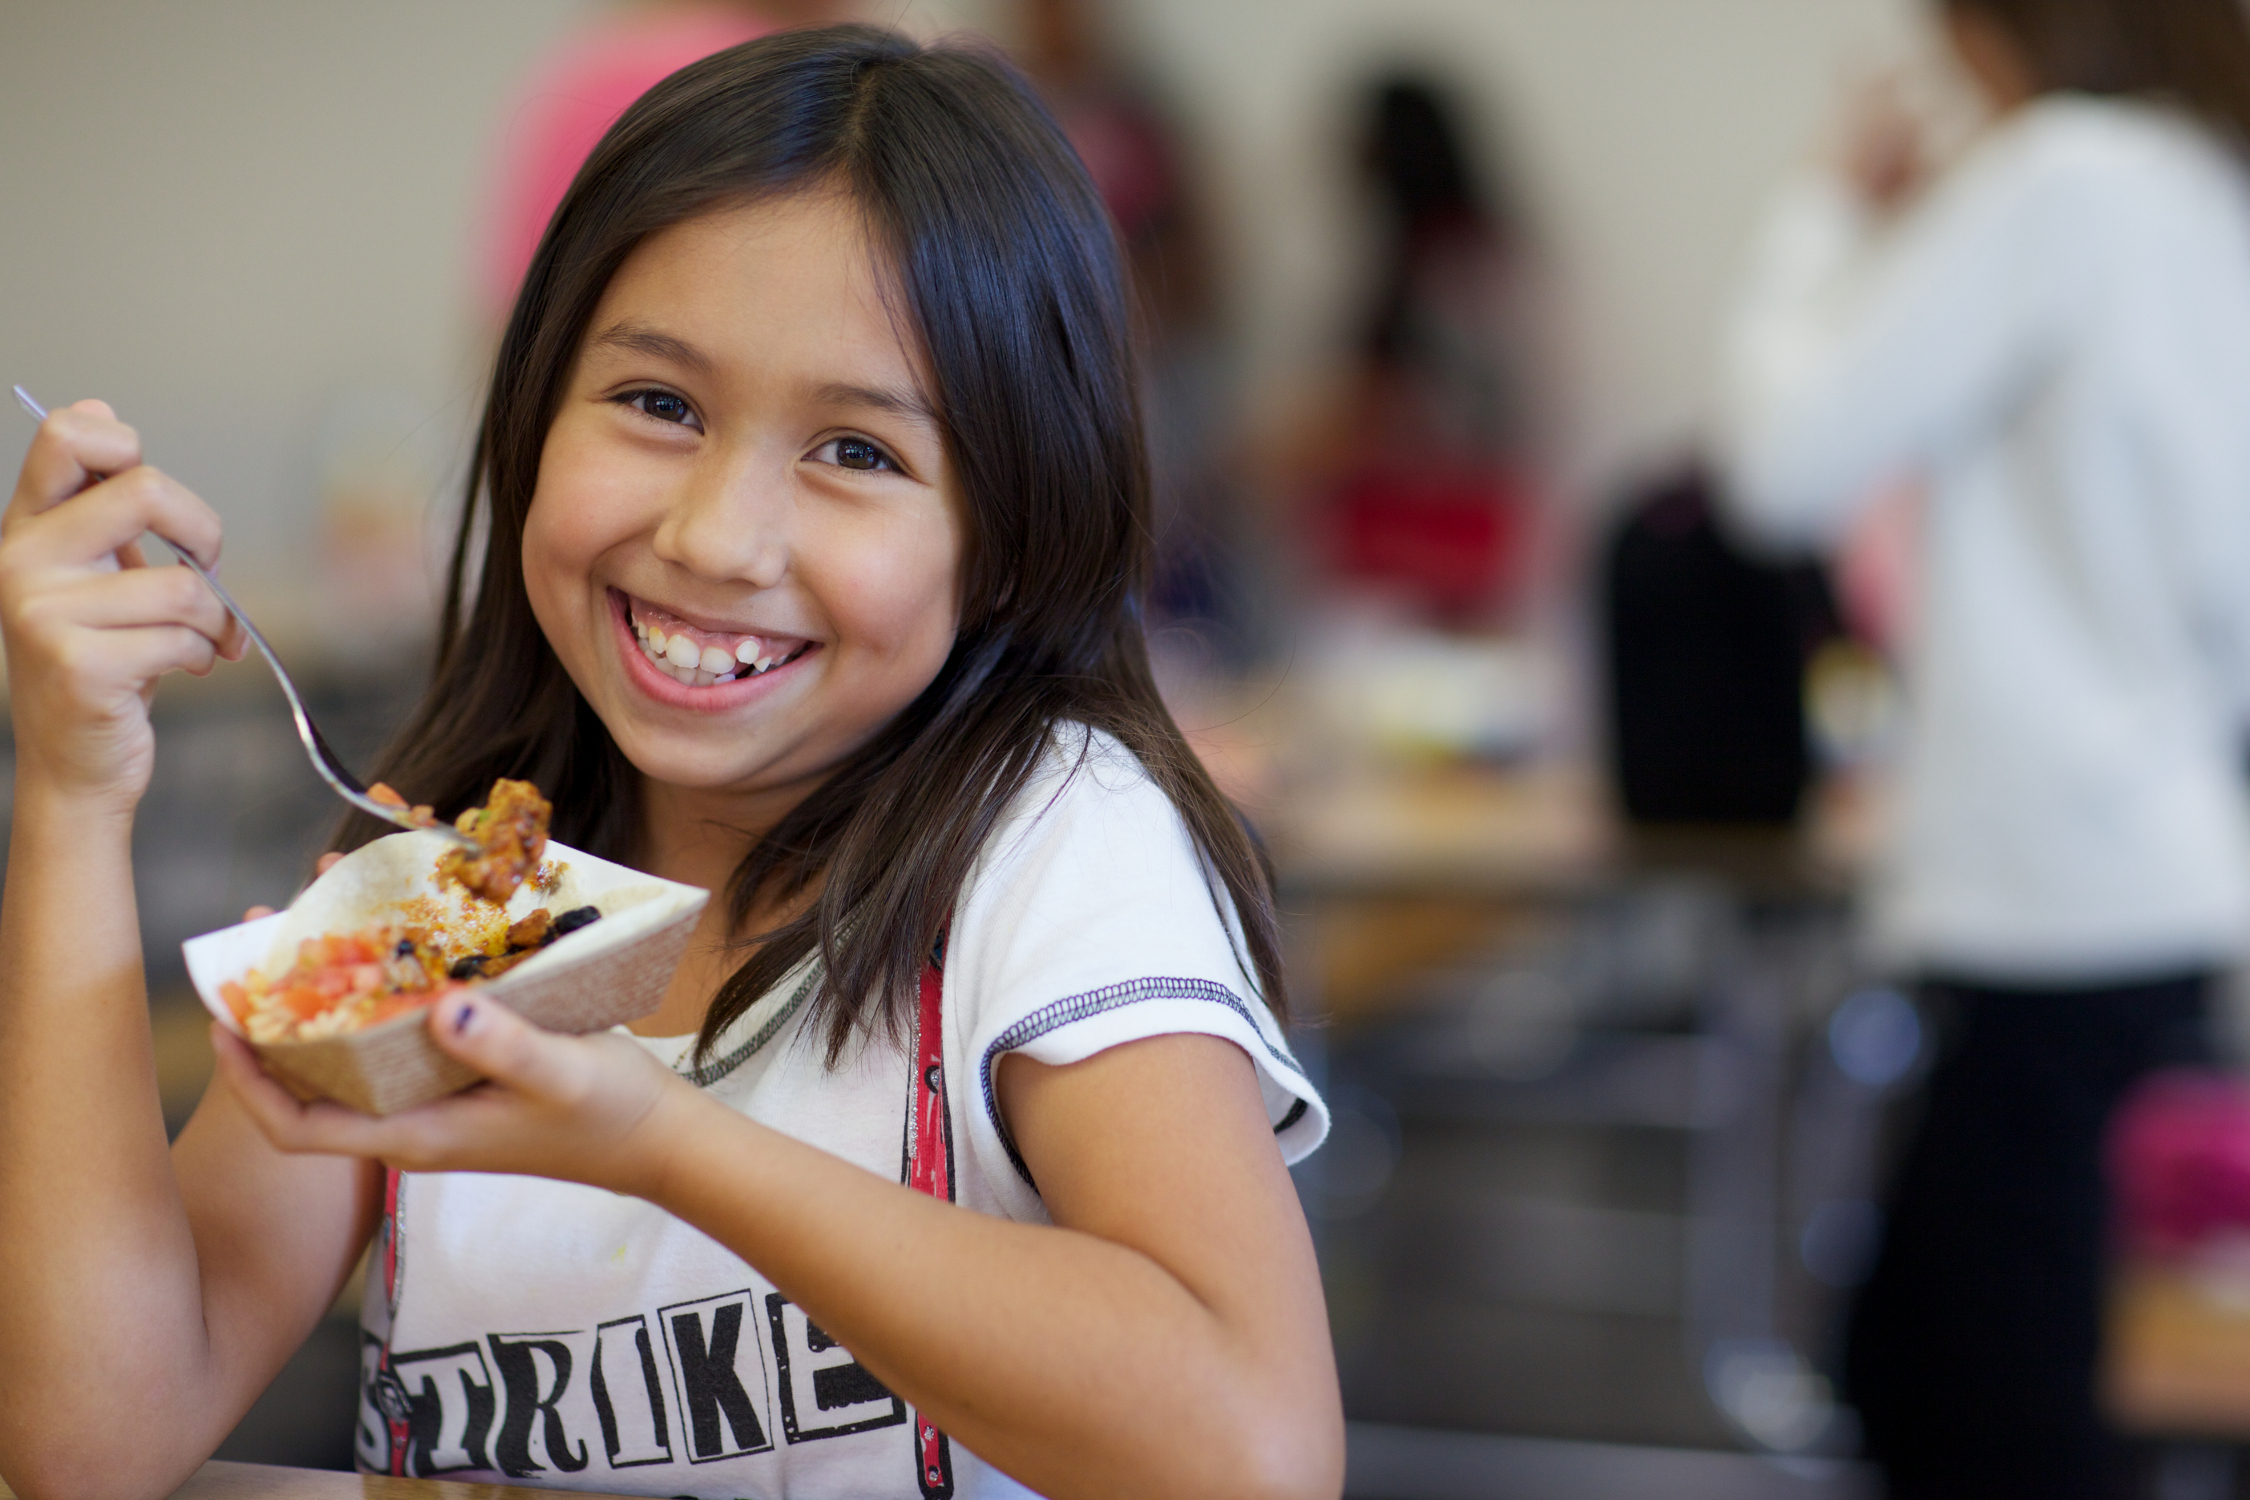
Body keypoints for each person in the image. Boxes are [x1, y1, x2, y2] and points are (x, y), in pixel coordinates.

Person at [0, 27, 1341, 1500]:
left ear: (1012, 531)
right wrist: (72, 794)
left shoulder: (1055, 843)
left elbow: (1251, 1453)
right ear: (531, 415)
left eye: (858, 452)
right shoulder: (454, 885)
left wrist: (660, 1143)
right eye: (658, 405)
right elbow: (87, 1443)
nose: (714, 538)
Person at [1717, 1, 2250, 1493]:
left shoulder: (2064, 180)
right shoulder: (2206, 188)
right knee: (1960, 1368)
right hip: (2148, 883)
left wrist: (1827, 208)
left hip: (2046, 902)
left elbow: (1778, 463)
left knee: (1982, 1411)